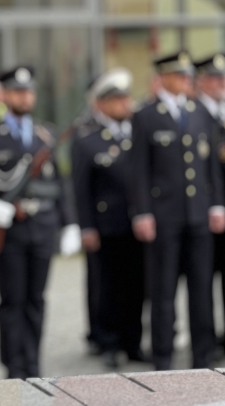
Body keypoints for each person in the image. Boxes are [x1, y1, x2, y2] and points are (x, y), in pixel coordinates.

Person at [0, 66, 79, 379]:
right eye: (17, 91)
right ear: (4, 96)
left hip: (42, 225)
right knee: (11, 300)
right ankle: (14, 366)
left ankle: (33, 363)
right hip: (9, 229)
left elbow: (60, 184)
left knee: (36, 300)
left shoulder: (46, 134)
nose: (24, 97)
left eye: (28, 92)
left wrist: (69, 224)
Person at [129, 51, 225, 370]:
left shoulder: (198, 112)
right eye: (180, 76)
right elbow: (139, 170)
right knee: (163, 290)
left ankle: (203, 356)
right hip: (164, 215)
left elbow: (209, 164)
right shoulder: (146, 115)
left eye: (188, 76)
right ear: (164, 77)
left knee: (201, 289)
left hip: (198, 213)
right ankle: (163, 358)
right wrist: (142, 212)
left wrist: (216, 204)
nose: (187, 81)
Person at [71, 68, 145, 369]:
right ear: (100, 103)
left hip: (136, 222)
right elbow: (80, 187)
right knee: (107, 286)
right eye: (116, 100)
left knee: (137, 284)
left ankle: (134, 341)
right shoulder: (86, 137)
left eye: (126, 98)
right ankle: (108, 342)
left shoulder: (136, 131)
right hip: (105, 225)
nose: (124, 105)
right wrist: (86, 225)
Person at [195, 54, 225, 355]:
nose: (222, 84)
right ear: (201, 82)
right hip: (204, 209)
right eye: (215, 78)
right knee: (202, 280)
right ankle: (204, 341)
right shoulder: (195, 114)